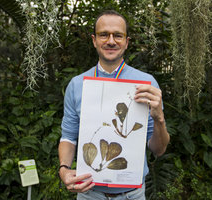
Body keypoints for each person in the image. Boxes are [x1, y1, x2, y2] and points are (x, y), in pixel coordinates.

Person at [58, 10, 170, 200]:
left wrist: (159, 118)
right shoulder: (77, 85)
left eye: (118, 35)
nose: (111, 41)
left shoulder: (146, 84)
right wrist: (64, 169)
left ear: (127, 41)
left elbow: (159, 150)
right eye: (104, 34)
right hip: (89, 193)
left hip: (132, 194)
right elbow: (68, 137)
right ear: (94, 40)